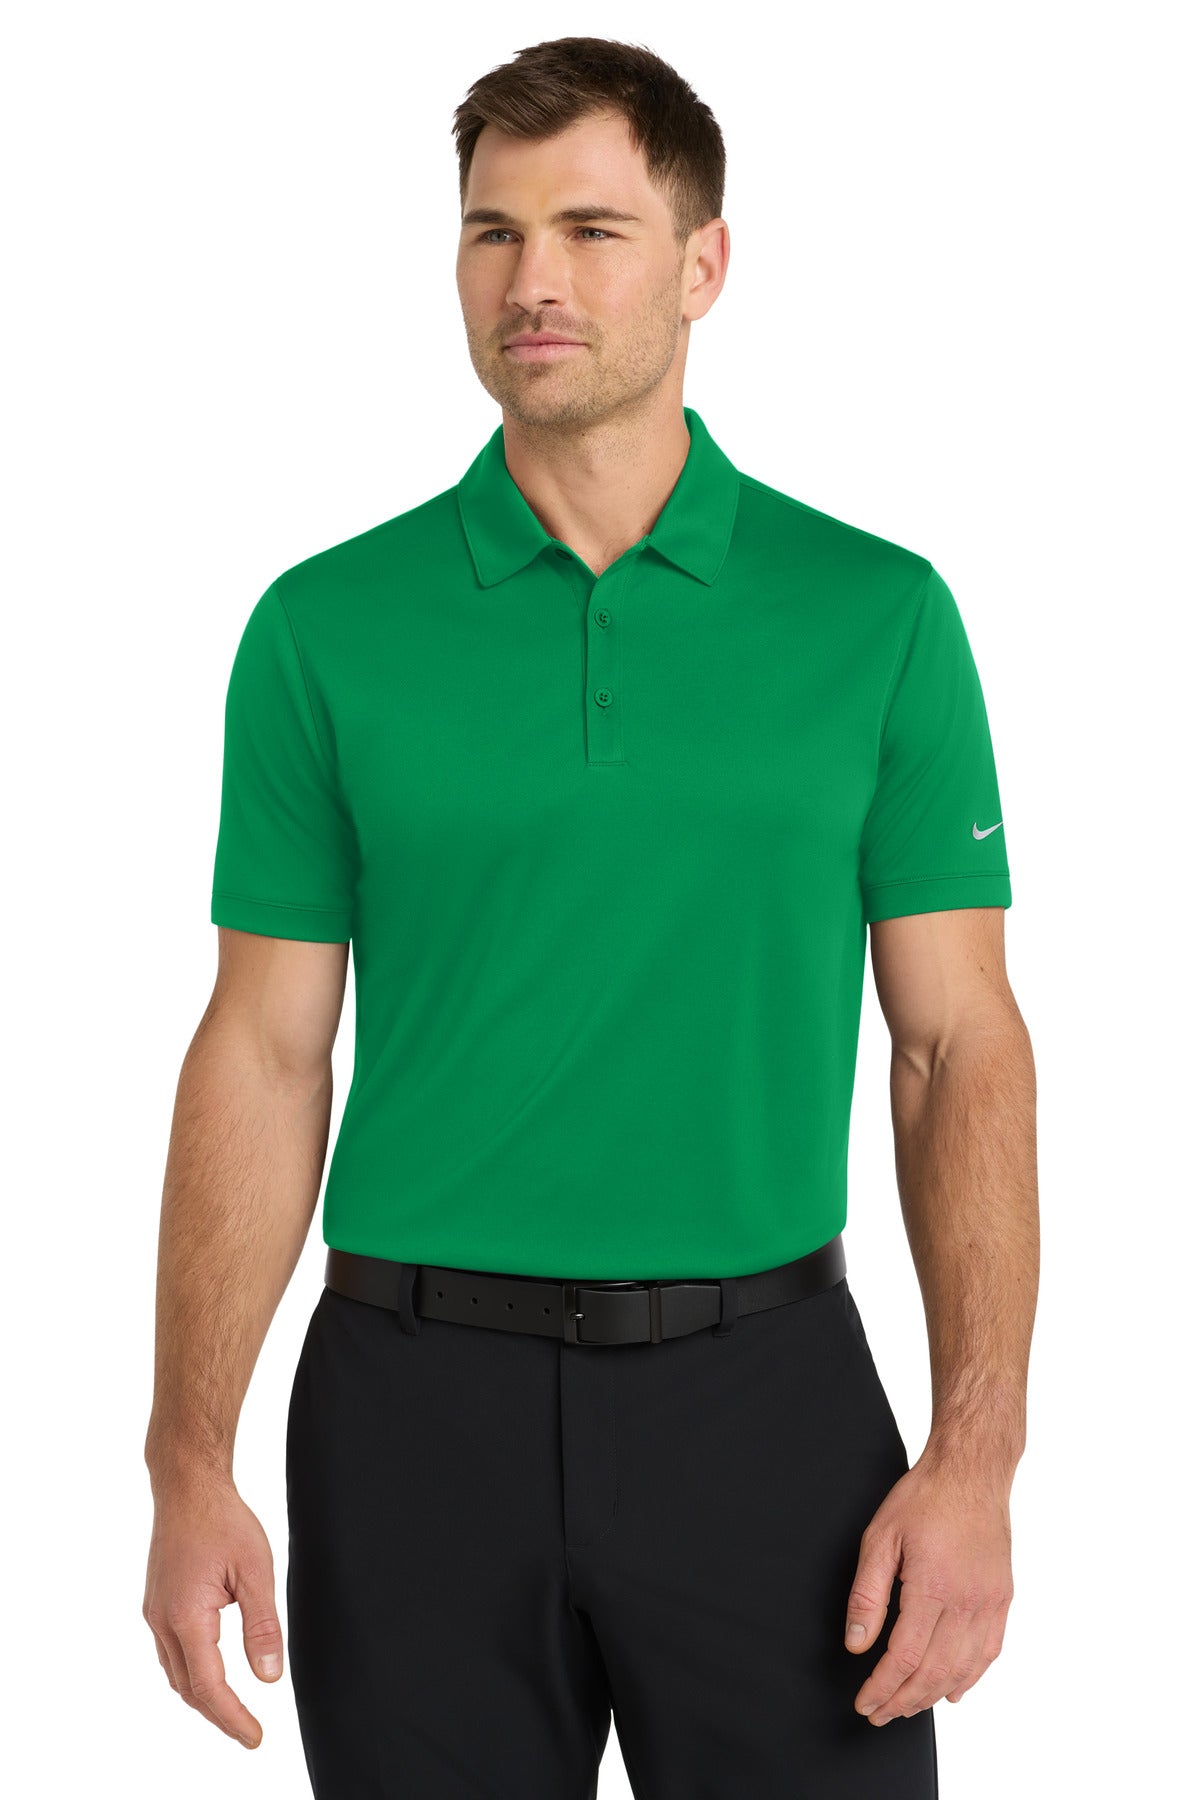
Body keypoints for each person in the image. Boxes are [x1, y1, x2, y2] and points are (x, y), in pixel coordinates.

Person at [142, 34, 1039, 1800]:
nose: (531, 280)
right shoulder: (324, 627)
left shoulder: (879, 616)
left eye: (591, 230)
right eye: (492, 232)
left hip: (770, 1406)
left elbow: (955, 1046)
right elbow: (262, 1051)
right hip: (411, 1416)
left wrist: (978, 1459)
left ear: (704, 264)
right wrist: (187, 1457)